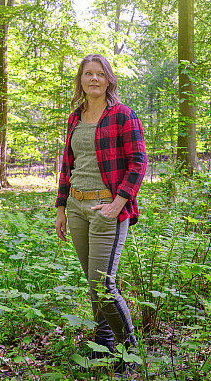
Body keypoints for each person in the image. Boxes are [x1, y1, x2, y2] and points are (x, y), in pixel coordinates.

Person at [55, 54, 147, 367]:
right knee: (93, 284)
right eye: (88, 74)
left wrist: (119, 202)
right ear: (81, 80)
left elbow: (138, 163)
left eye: (100, 74)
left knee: (103, 284)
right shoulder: (75, 117)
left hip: (107, 208)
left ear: (109, 80)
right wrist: (61, 208)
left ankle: (129, 350)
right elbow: (68, 165)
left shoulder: (122, 116)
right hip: (77, 207)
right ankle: (103, 344)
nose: (94, 79)